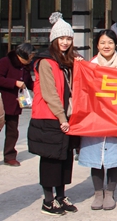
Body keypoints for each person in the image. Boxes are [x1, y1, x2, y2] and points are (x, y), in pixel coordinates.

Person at [28, 12, 80, 216]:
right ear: (54, 39)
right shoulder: (46, 62)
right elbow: (50, 94)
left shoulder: (67, 62)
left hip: (65, 117)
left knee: (64, 158)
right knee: (51, 160)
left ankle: (61, 196)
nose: (65, 42)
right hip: (49, 118)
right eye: (61, 38)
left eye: (68, 38)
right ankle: (48, 201)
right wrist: (62, 118)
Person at [79, 30, 117, 211]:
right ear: (97, 45)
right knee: (96, 157)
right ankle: (97, 193)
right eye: (102, 42)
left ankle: (109, 192)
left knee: (114, 156)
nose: (106, 46)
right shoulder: (88, 67)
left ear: (116, 44)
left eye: (110, 42)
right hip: (95, 119)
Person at [0, 42, 35, 166]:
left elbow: (29, 82)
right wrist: (14, 83)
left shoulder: (25, 66)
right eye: (30, 57)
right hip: (2, 102)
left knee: (13, 131)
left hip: (14, 104)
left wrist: (40, 88)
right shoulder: (5, 62)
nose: (30, 60)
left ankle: (9, 156)